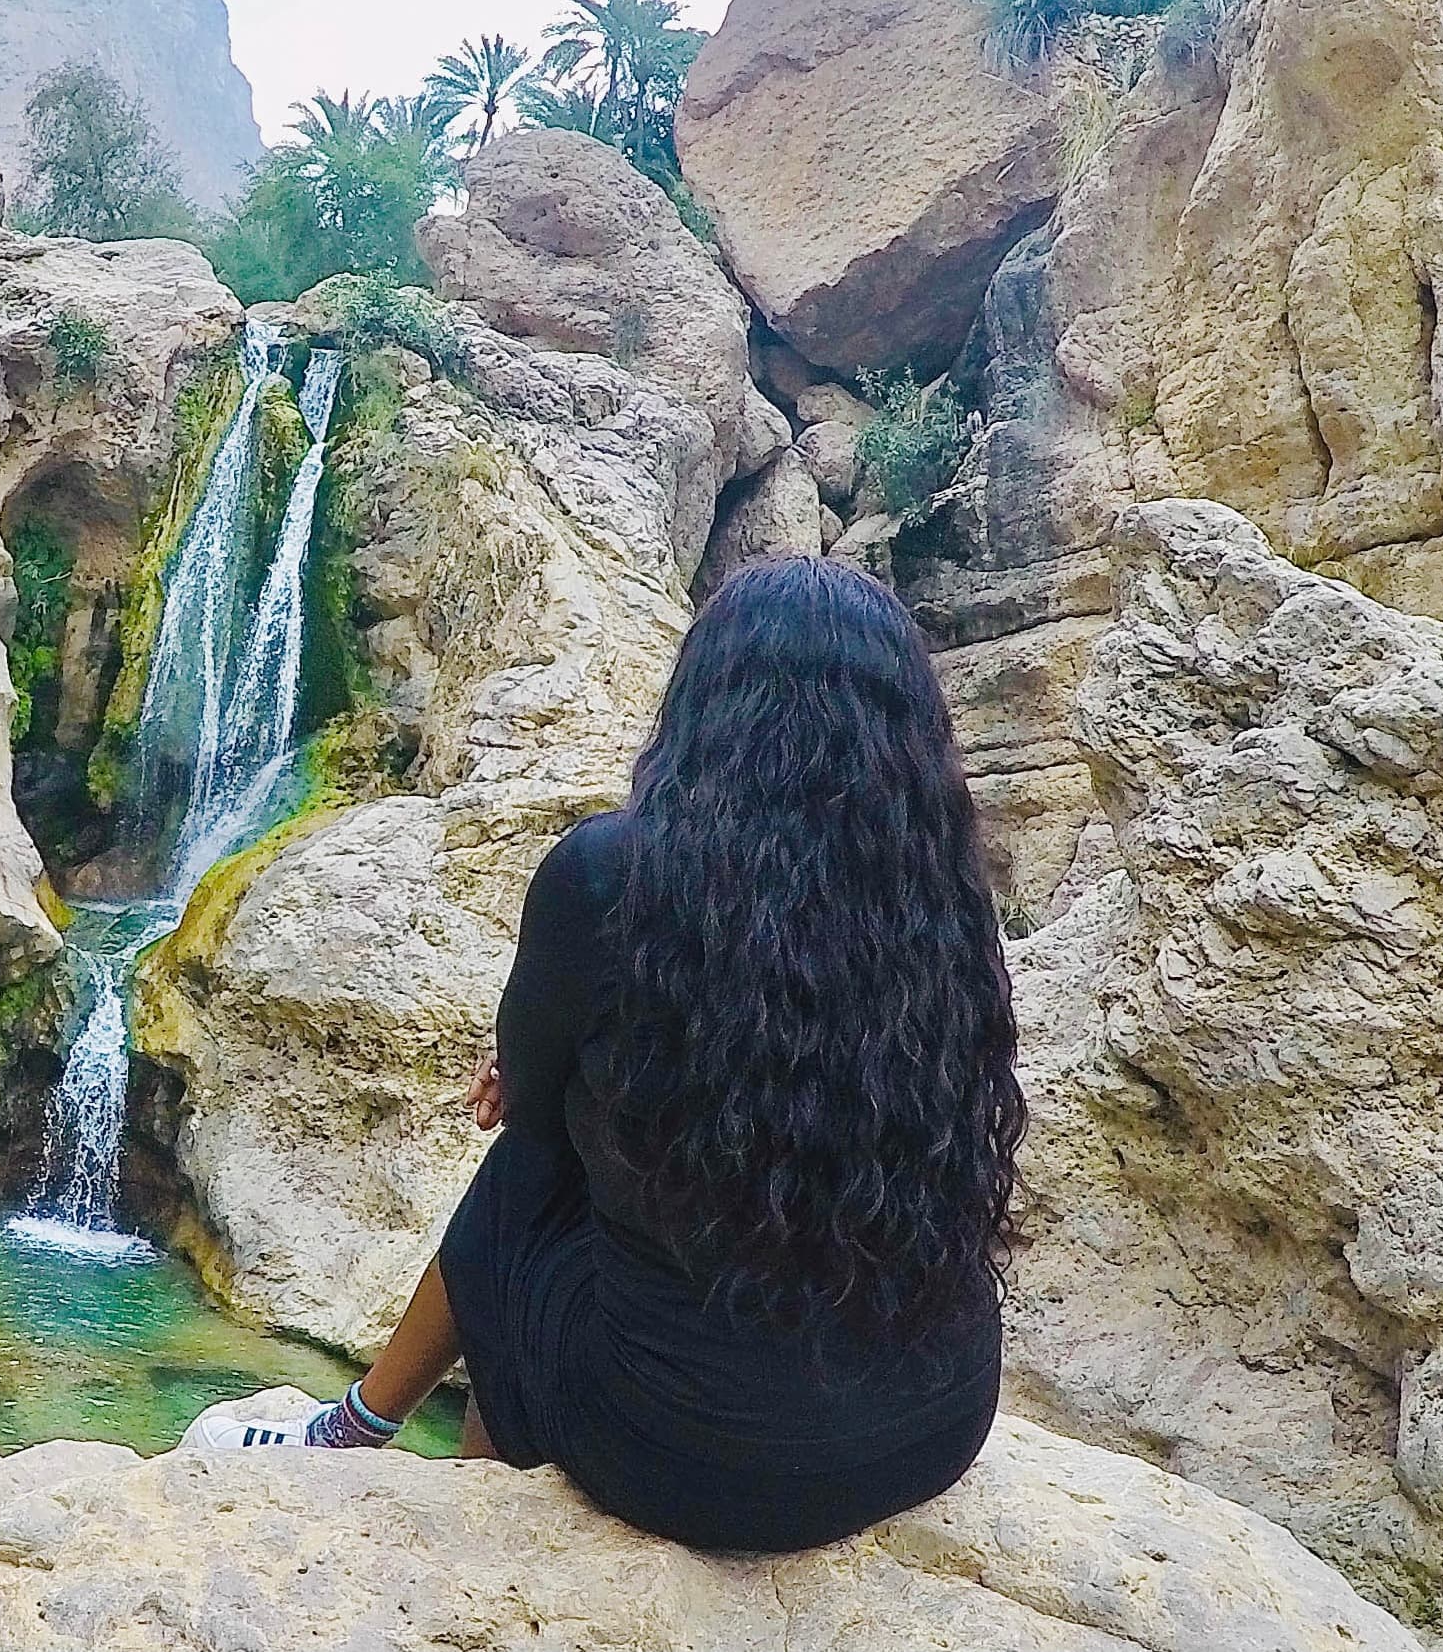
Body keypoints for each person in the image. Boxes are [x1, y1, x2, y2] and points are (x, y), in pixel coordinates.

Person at [185, 556, 1026, 1553]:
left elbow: (530, 1115)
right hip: (929, 1428)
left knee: (531, 1181)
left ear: (706, 702)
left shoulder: (609, 872)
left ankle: (372, 1448)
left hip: (684, 1459)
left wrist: (552, 1077)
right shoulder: (941, 892)